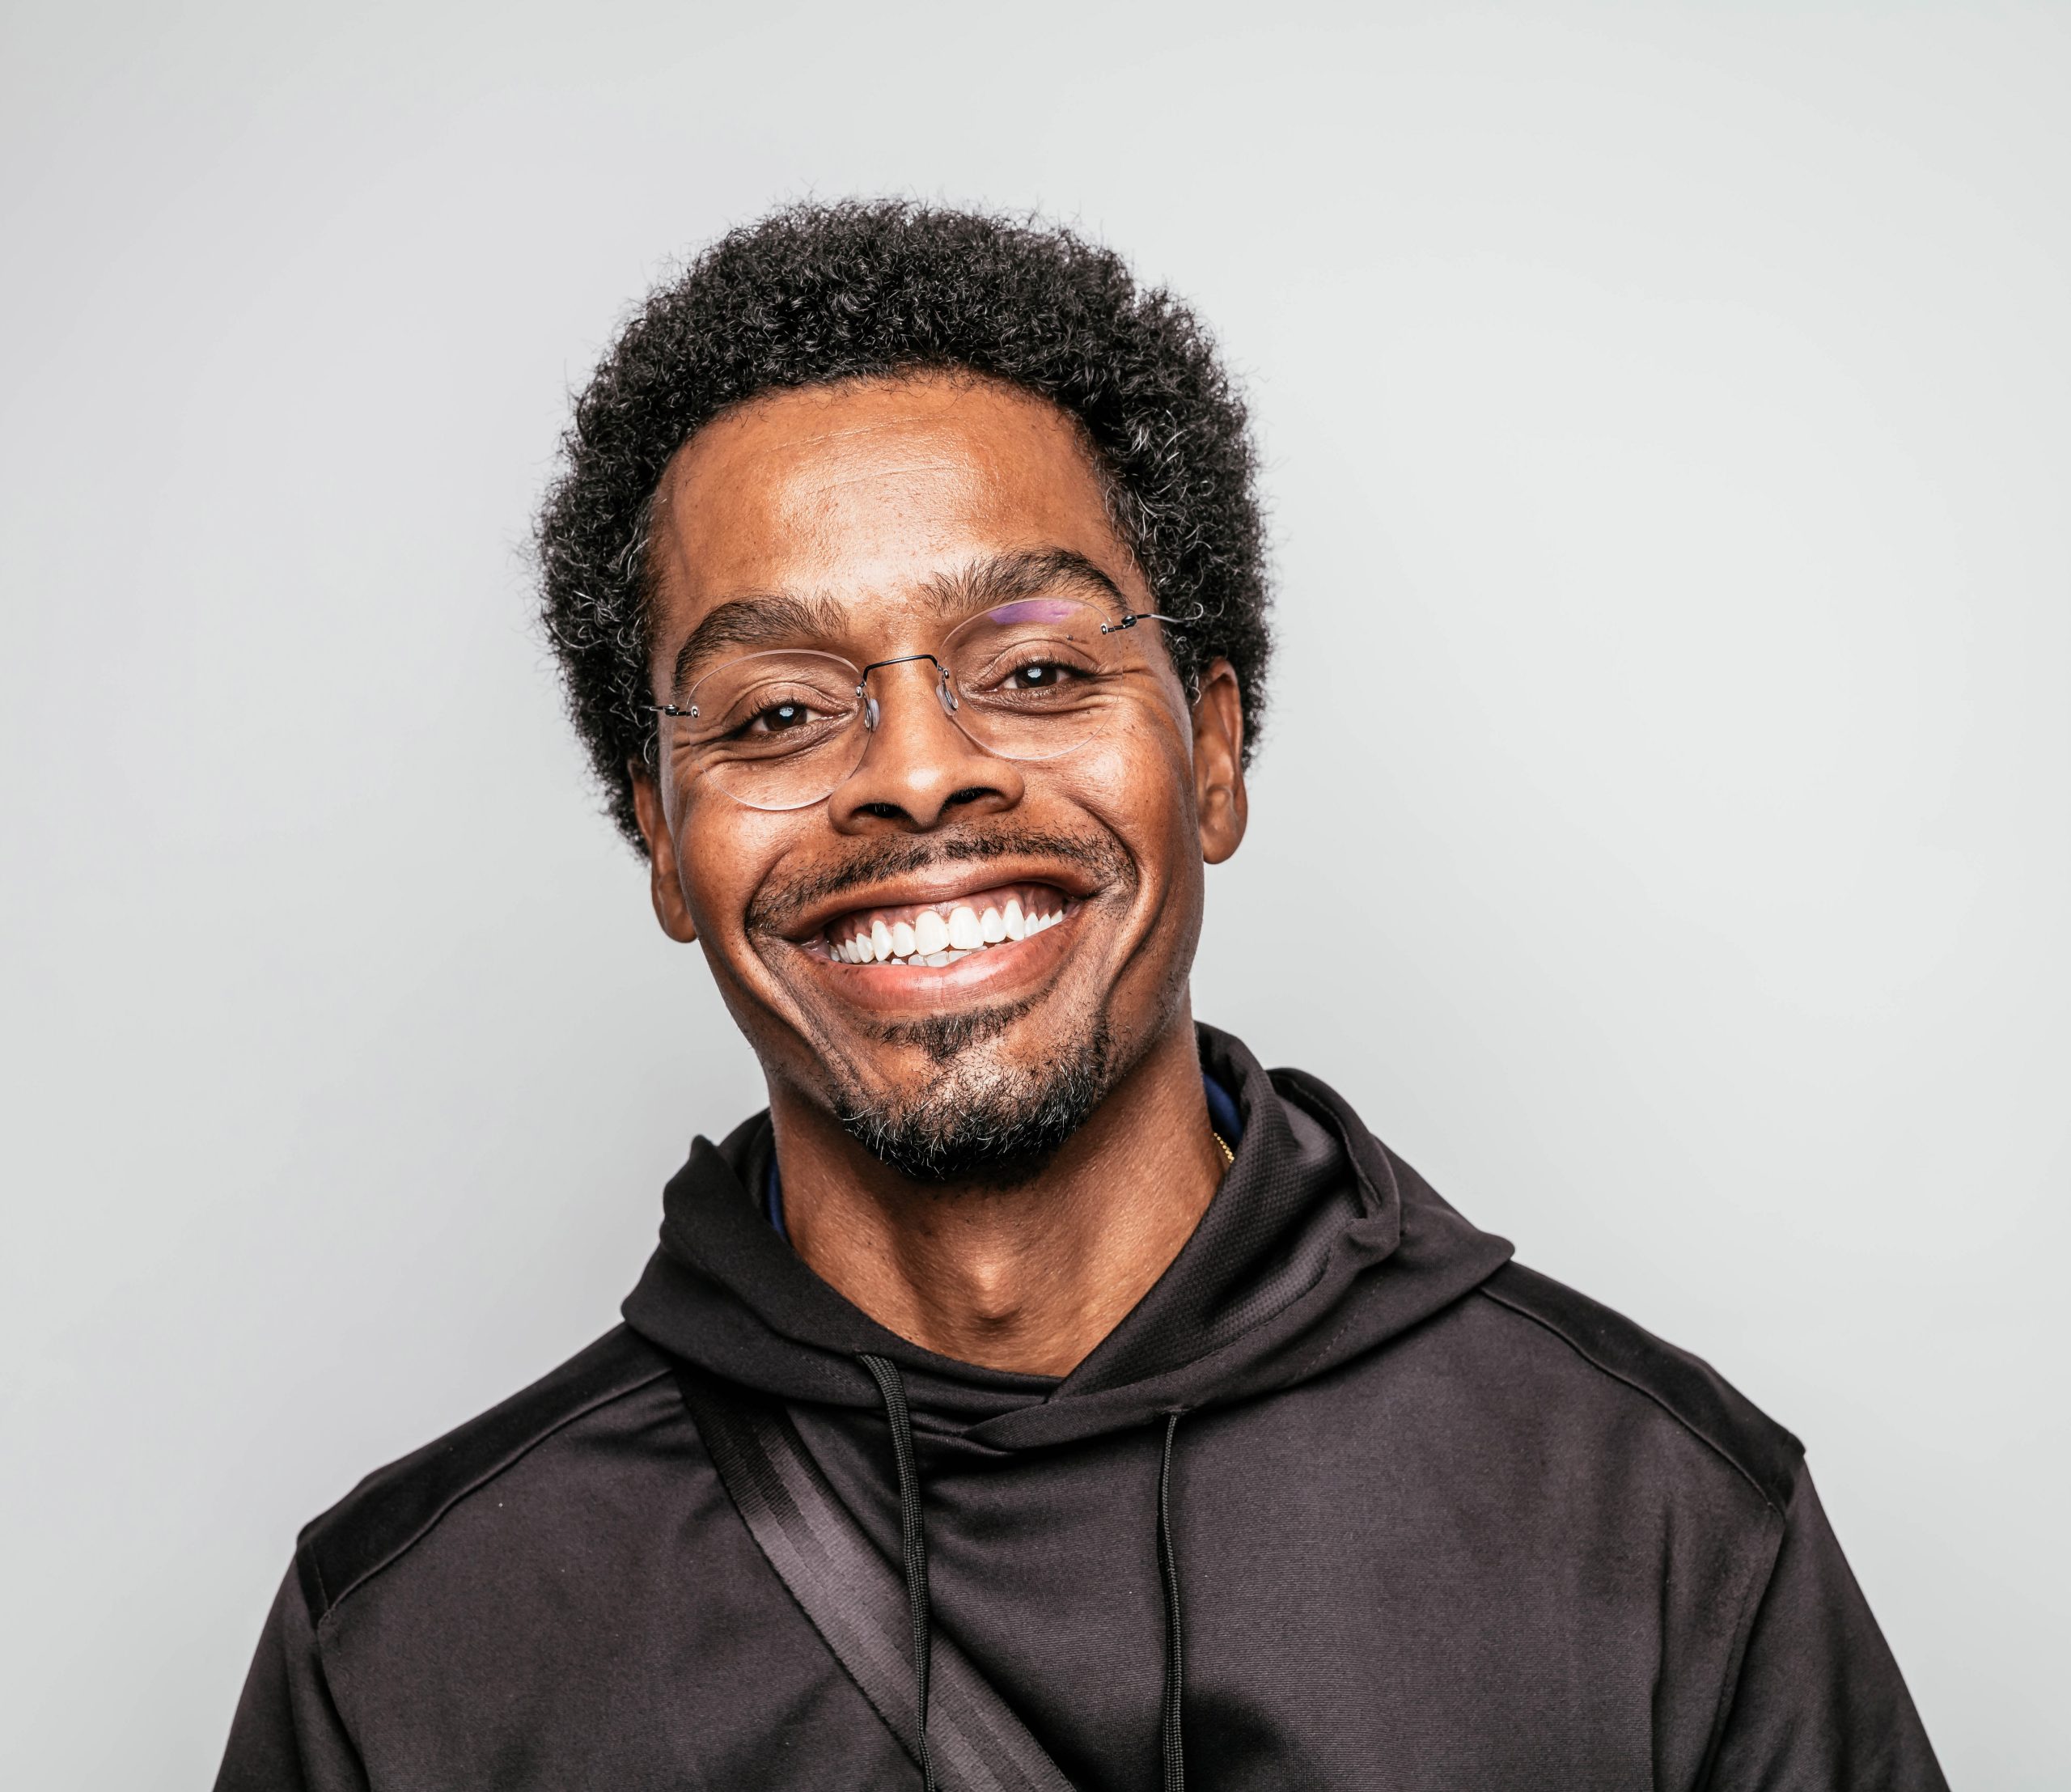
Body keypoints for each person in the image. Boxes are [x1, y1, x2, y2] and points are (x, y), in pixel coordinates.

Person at [215, 201, 1946, 1791]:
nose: (915, 774)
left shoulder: (1657, 1523)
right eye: (777, 712)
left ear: (1212, 752)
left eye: (1036, 667)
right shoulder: (417, 1644)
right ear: (663, 842)